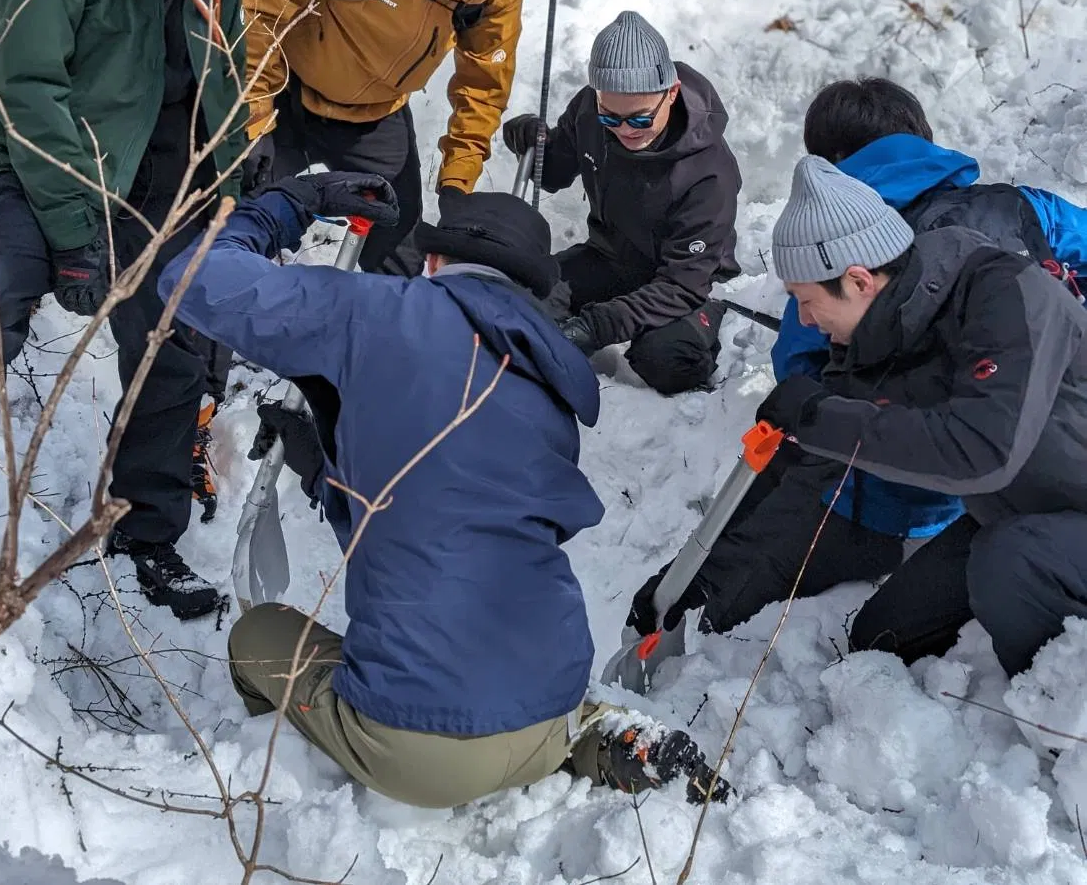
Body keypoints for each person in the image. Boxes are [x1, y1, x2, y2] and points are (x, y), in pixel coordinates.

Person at [158, 176, 717, 808]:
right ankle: (591, 738)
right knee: (506, 688)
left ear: (432, 261)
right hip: (552, 699)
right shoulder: (548, 386)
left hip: (419, 751)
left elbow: (195, 279)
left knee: (257, 635)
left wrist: (293, 205)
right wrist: (326, 472)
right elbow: (432, 514)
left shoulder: (377, 309)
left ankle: (284, 779)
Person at [0, 0, 299, 619]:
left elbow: (219, 68)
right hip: (52, 166)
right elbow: (22, 89)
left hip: (161, 177)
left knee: (174, 339)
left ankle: (143, 529)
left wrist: (236, 162)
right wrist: (76, 229)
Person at [630, 77, 1087, 643]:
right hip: (994, 486)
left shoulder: (842, 241)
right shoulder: (1020, 208)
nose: (806, 311)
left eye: (806, 302)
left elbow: (805, 388)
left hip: (907, 491)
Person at [240, 0, 564, 272]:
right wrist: (254, 121)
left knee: (401, 243)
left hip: (375, 113)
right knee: (240, 219)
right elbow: (258, 9)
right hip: (284, 90)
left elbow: (484, 81)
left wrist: (457, 183)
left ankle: (379, 330)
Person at [503, 11, 741, 396]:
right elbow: (557, 170)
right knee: (519, 297)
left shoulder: (708, 172)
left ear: (672, 93)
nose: (625, 131)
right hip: (611, 258)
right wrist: (534, 140)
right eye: (610, 118)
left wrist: (597, 326)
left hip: (690, 283)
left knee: (665, 360)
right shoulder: (588, 110)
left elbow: (683, 282)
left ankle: (705, 332)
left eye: (640, 120)